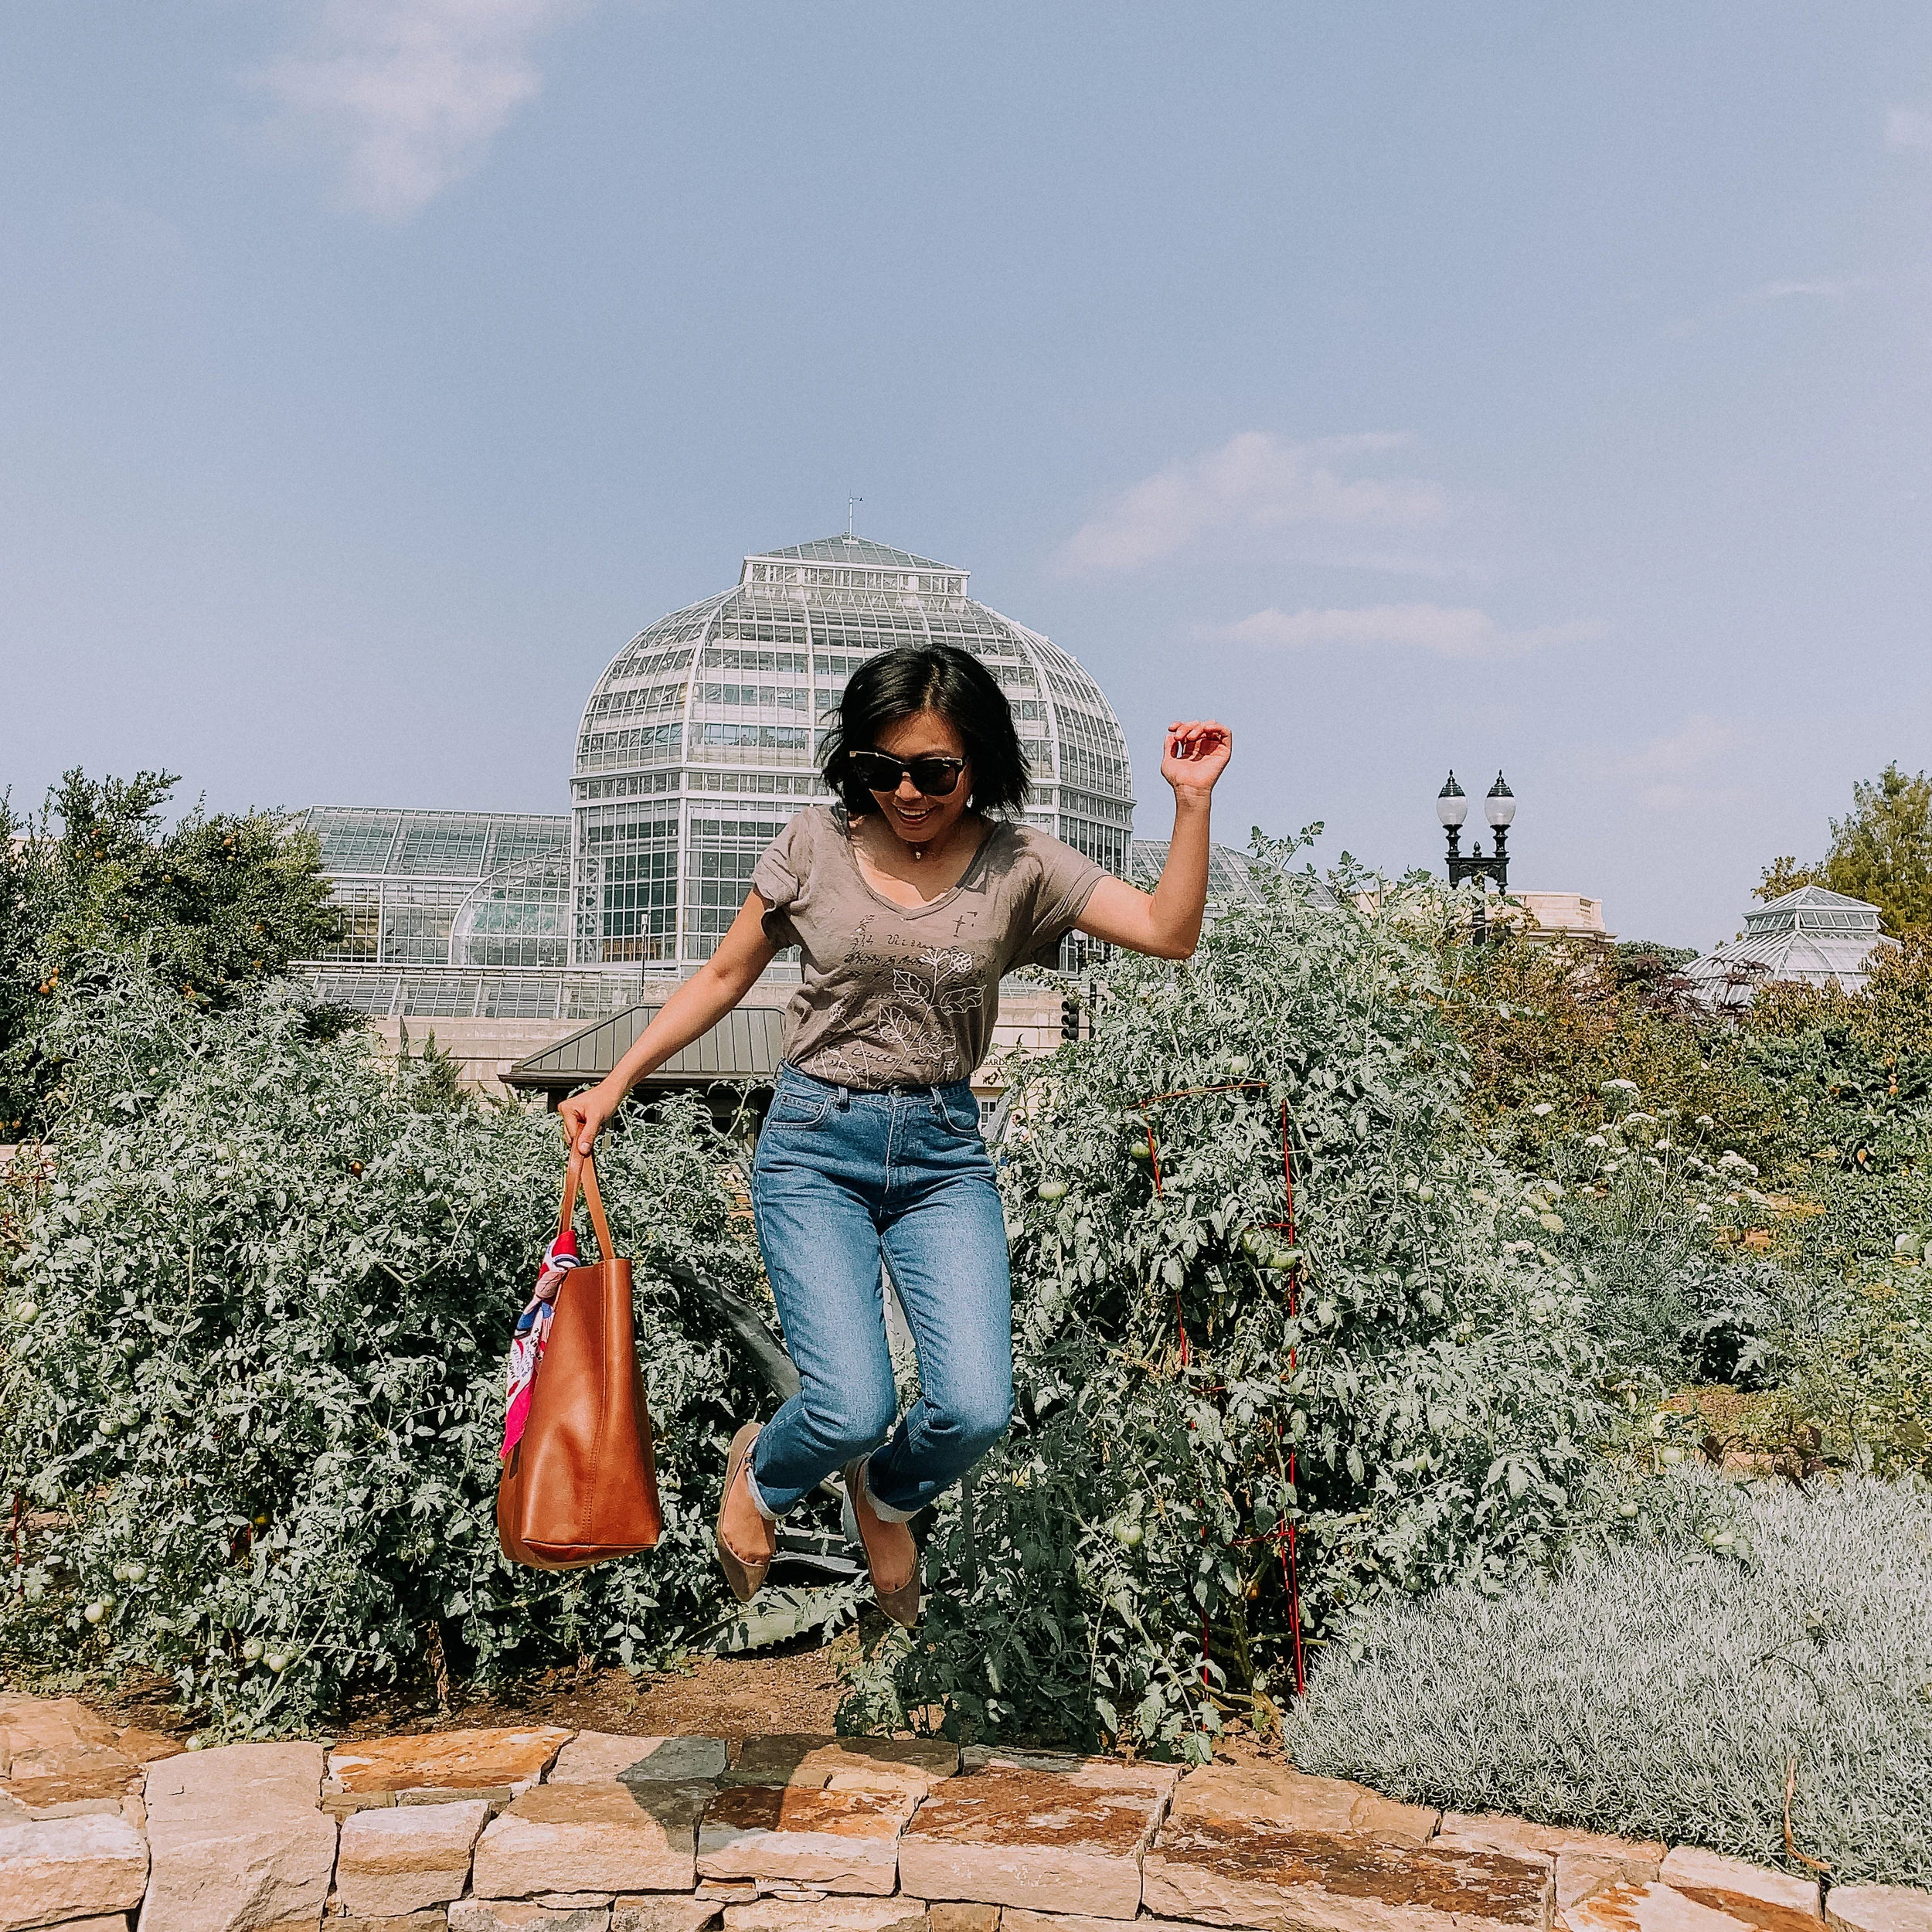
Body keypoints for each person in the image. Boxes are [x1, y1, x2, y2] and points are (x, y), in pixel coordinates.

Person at [560, 644, 1230, 1624]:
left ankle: (886, 1494)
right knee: (849, 1404)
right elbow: (721, 977)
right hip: (815, 1146)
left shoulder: (1021, 863)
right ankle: (763, 1478)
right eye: (881, 769)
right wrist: (615, 1081)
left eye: (933, 771)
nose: (906, 792)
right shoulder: (812, 845)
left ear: (978, 764)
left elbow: (1170, 932)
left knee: (973, 1409)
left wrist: (1191, 800)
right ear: (854, 765)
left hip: (942, 1154)